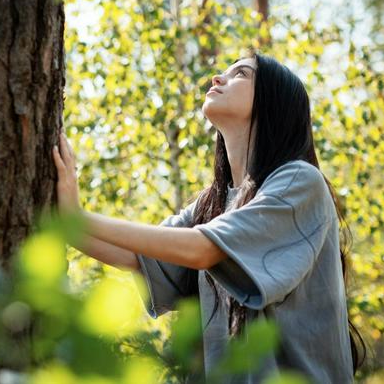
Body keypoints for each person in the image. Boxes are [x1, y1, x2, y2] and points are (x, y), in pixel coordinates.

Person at [52, 50, 367, 383]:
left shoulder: (301, 182)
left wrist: (79, 217)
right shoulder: (213, 203)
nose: (218, 78)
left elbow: (202, 250)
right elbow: (137, 255)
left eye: (241, 74)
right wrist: (63, 220)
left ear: (274, 102)